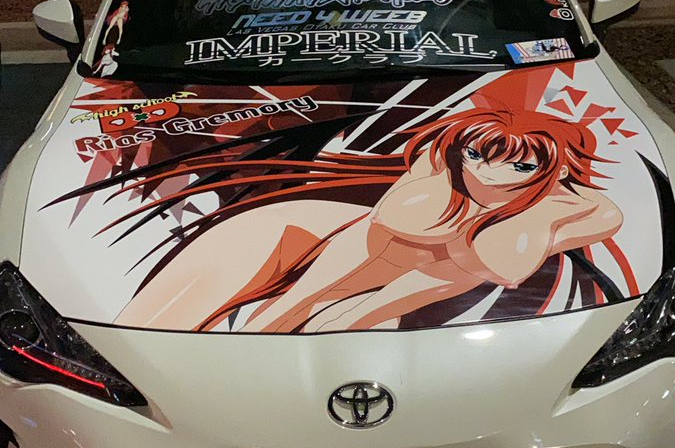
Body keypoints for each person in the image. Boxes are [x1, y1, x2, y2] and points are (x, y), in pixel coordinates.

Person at [116, 102, 623, 333]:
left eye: (519, 165)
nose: (487, 174)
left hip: (418, 271)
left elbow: (499, 259)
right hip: (343, 236)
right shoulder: (434, 170)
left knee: (344, 321)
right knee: (279, 315)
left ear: (555, 169)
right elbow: (408, 222)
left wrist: (527, 214)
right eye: (475, 155)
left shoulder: (583, 206)